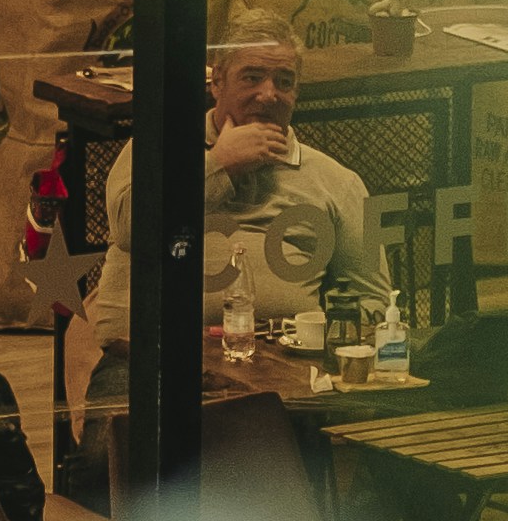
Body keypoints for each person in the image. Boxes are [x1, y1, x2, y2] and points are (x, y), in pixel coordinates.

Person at [77, 24, 383, 459]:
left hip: (284, 372)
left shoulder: (344, 183)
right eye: (251, 77)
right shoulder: (151, 149)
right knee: (108, 468)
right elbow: (130, 227)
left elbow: (373, 295)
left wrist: (317, 352)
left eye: (284, 81)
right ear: (216, 81)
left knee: (324, 471)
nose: (268, 94)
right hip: (153, 362)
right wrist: (218, 164)